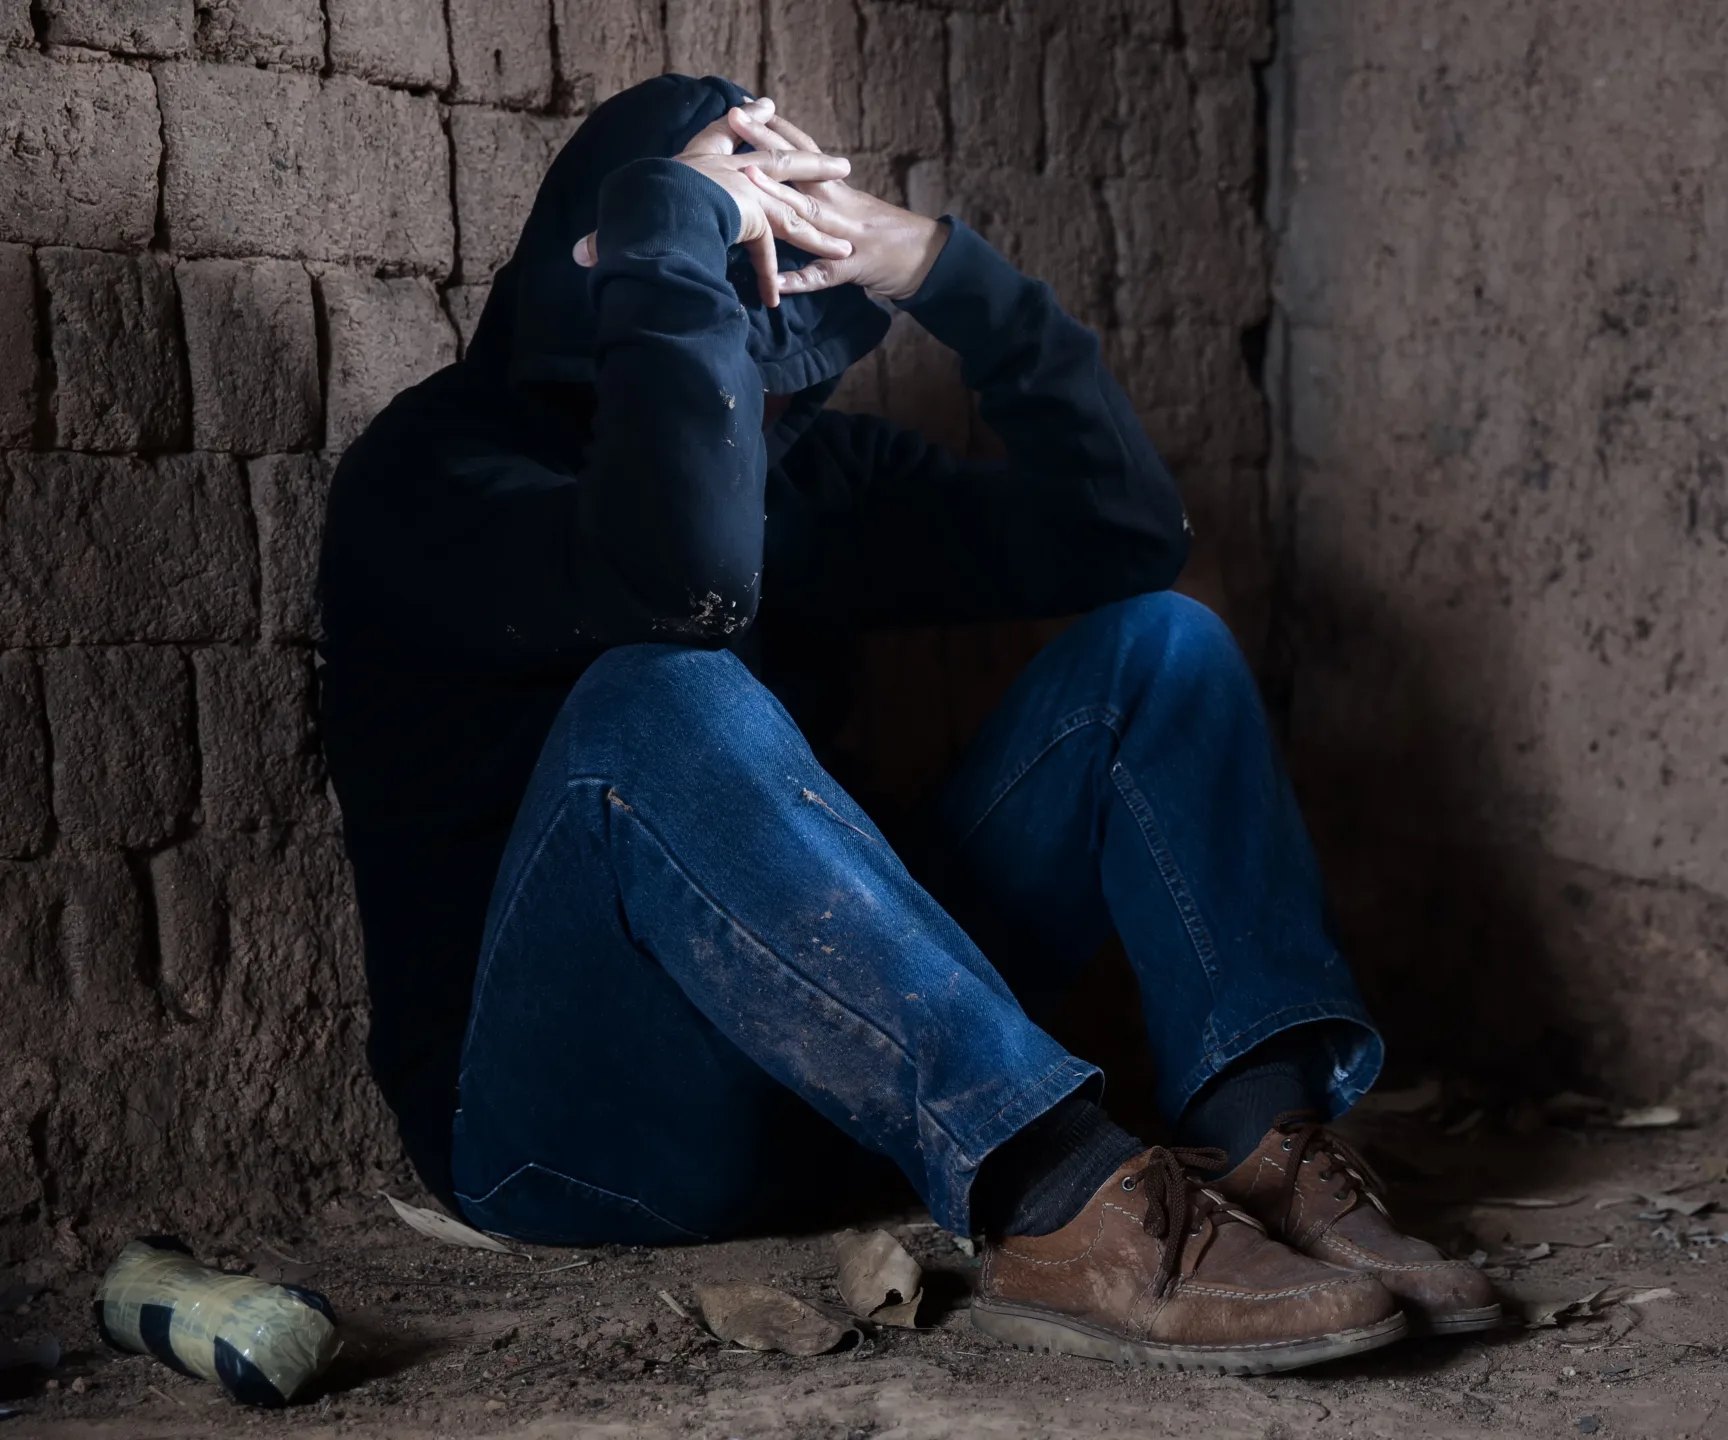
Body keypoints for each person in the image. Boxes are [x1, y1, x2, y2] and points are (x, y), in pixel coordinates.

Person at [318, 74, 1497, 1374]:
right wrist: (670, 226)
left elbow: (1123, 532)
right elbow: (677, 581)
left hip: (846, 1100)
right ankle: (1057, 1194)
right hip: (569, 1142)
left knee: (1161, 646)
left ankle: (1265, 1142)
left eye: (777, 345)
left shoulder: (805, 475)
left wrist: (943, 270)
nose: (760, 405)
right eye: (724, 326)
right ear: (609, 300)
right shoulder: (433, 476)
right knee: (663, 688)